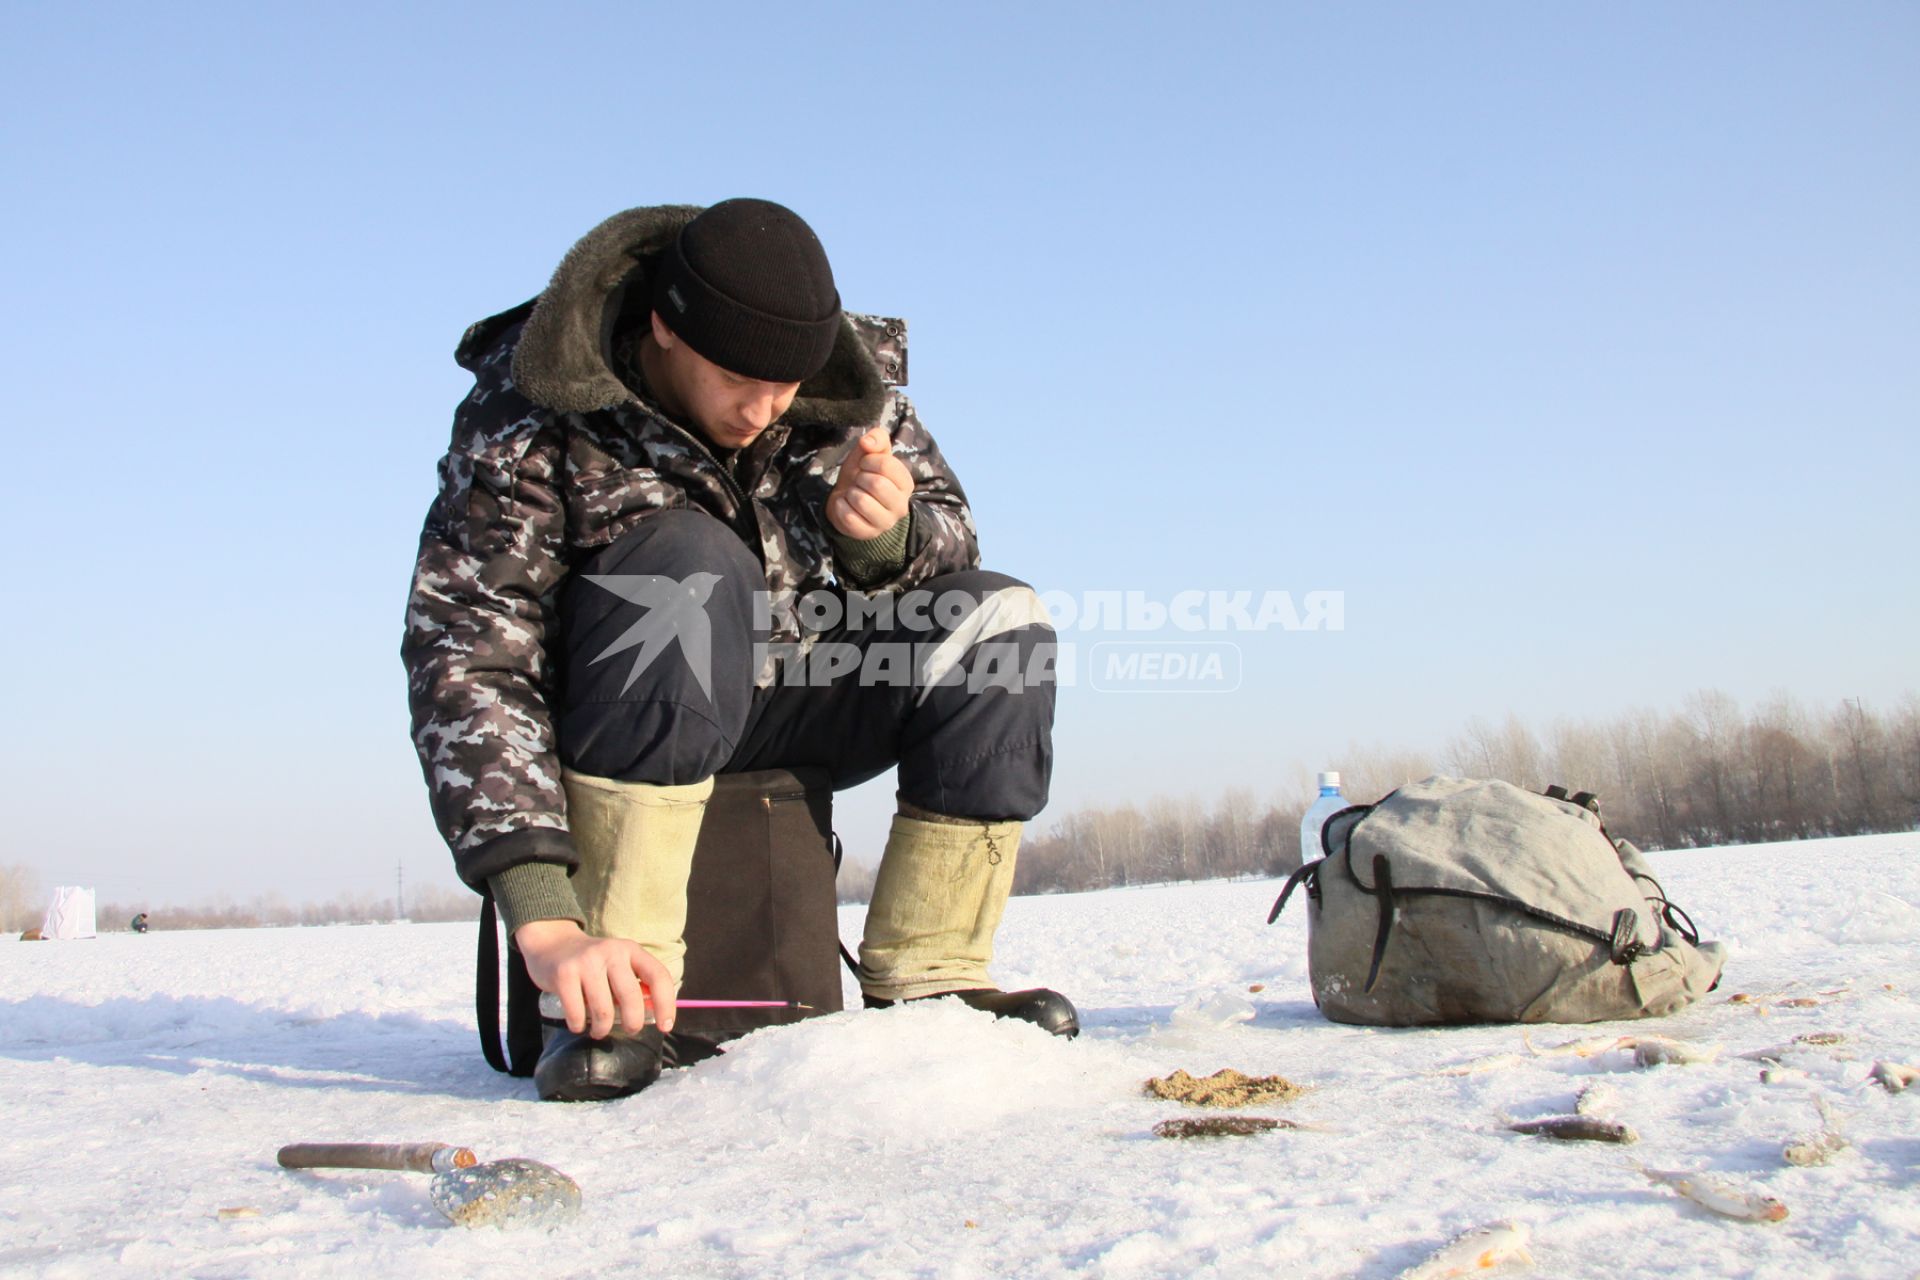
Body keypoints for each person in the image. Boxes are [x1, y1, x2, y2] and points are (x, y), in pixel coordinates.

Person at [403, 199, 1071, 1101]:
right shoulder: (532, 411)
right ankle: (617, 998)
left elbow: (952, 544)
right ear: (664, 328)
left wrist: (885, 539)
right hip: (626, 714)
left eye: (788, 386)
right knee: (687, 570)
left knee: (1001, 624)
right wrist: (543, 916)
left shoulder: (847, 386)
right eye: (738, 380)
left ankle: (934, 980)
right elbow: (470, 647)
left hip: (793, 695)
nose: (766, 410)